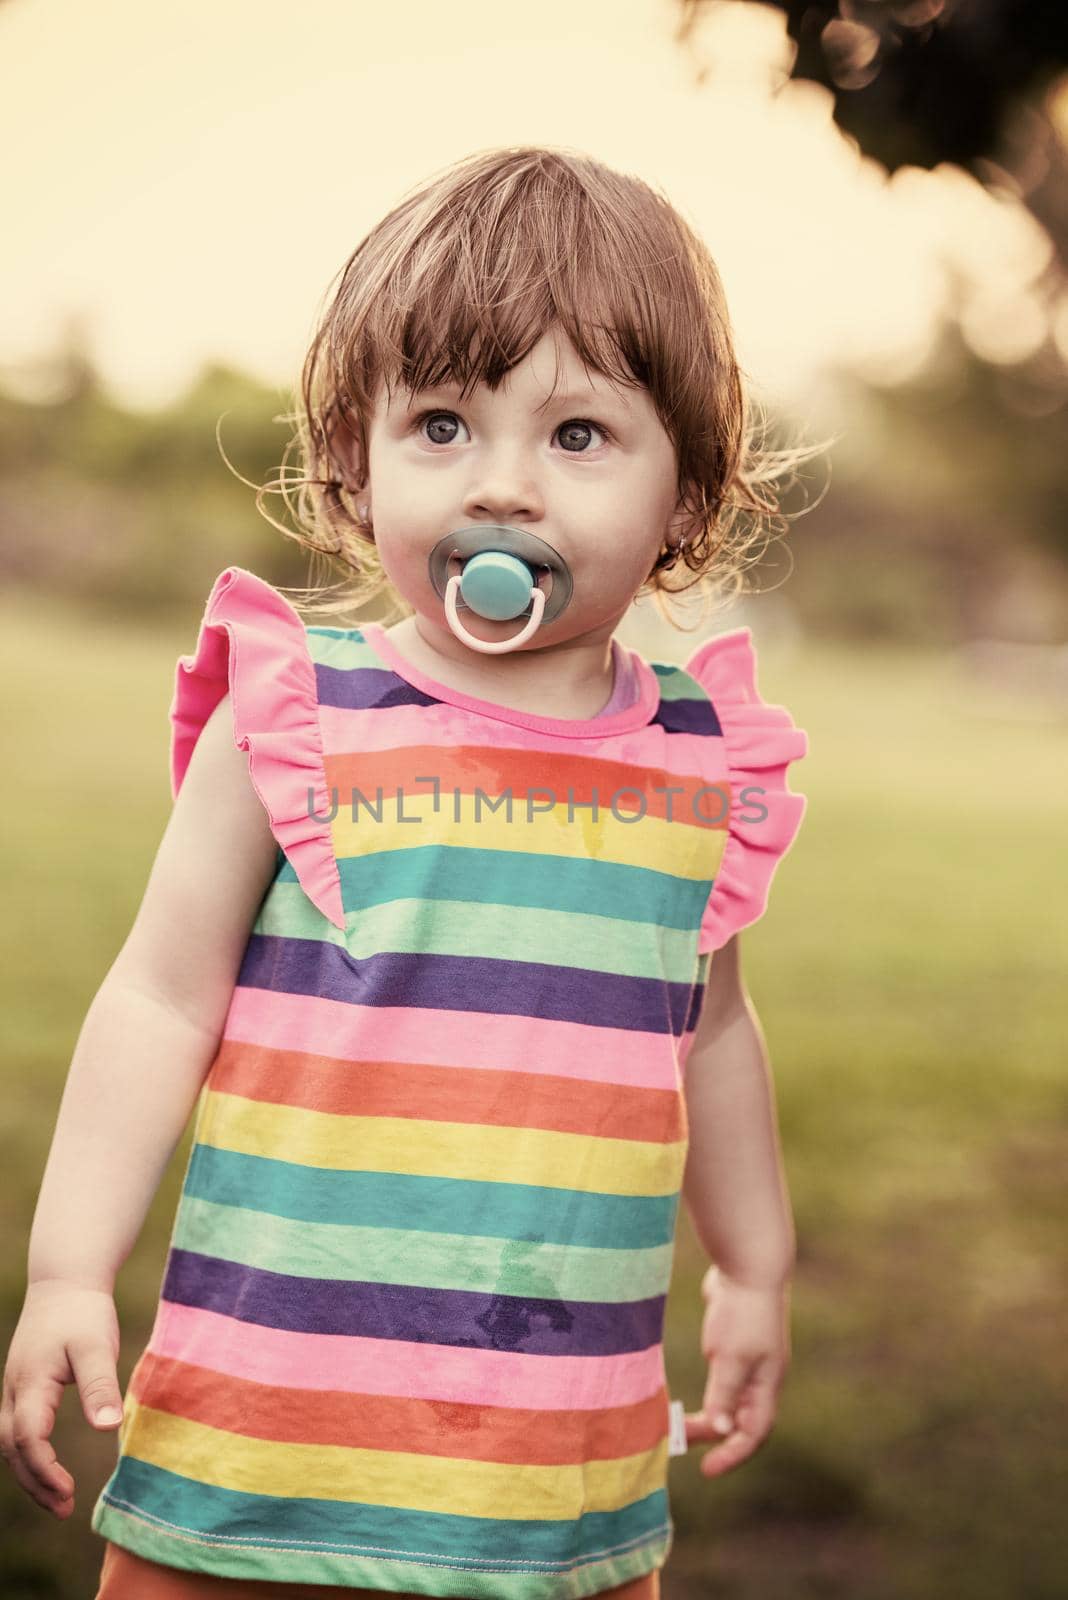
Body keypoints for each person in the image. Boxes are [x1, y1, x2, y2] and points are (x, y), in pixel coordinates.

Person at [0, 145, 817, 1599]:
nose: (502, 486)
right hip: (258, 1446)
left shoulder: (703, 765)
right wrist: (69, 1266)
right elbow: (159, 998)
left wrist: (753, 1267)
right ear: (351, 463)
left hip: (553, 1471)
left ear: (686, 497)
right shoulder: (291, 720)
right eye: (442, 424)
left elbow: (712, 1033)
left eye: (577, 436)